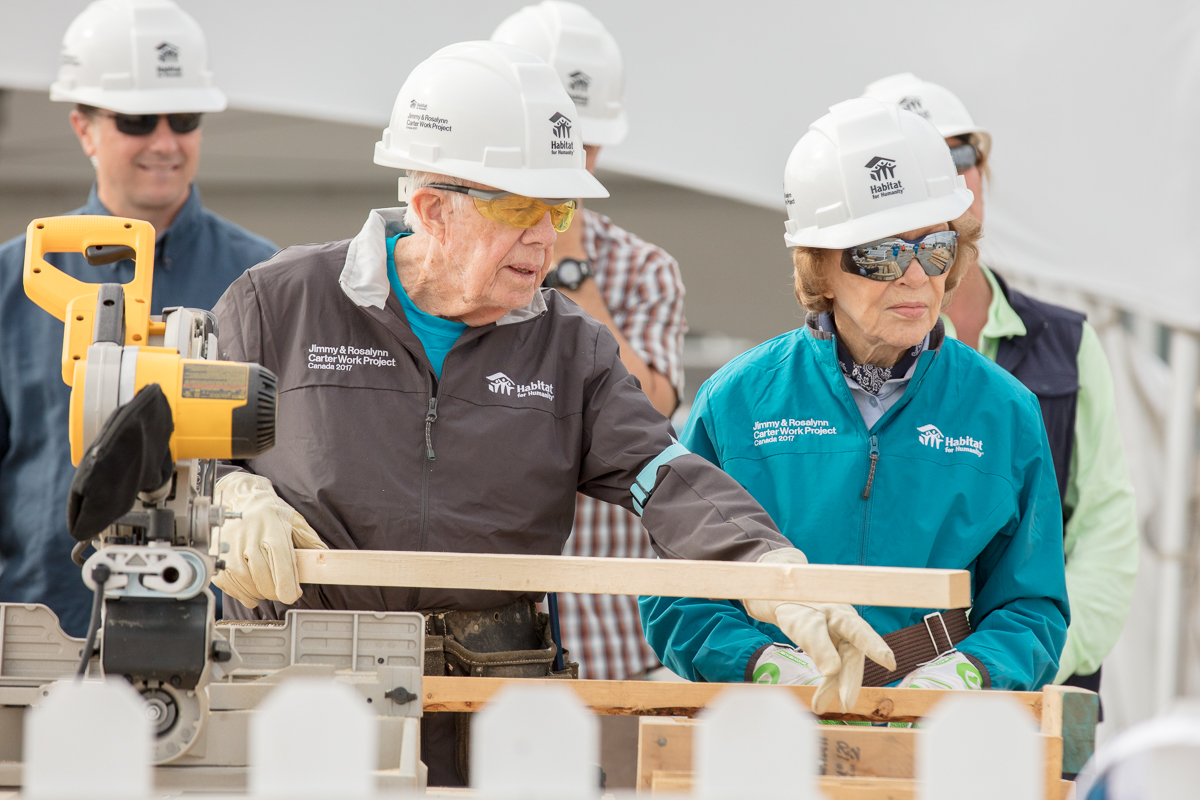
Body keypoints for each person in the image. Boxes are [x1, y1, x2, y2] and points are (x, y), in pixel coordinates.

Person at [209, 42, 892, 786]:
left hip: (493, 705)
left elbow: (663, 476)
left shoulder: (572, 350)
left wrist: (775, 572)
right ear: (433, 207)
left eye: (559, 208)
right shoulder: (277, 304)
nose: (548, 236)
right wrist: (226, 496)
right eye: (519, 208)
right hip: (299, 700)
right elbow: (169, 462)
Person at [640, 97, 1070, 694]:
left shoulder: (1005, 412)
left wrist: (968, 674)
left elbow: (1032, 607)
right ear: (819, 266)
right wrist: (762, 663)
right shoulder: (737, 402)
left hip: (941, 733)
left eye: (935, 247)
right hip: (770, 729)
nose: (915, 275)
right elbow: (679, 597)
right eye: (881, 253)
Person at [0, 0, 276, 636]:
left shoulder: (267, 281)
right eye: (134, 119)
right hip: (43, 630)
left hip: (216, 633)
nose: (164, 141)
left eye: (183, 118)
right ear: (83, 128)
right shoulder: (15, 283)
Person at [864, 73, 1137, 695]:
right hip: (886, 688)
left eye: (962, 155)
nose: (951, 175)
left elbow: (1104, 525)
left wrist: (1019, 660)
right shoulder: (835, 359)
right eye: (922, 159)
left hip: (1036, 682)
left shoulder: (1066, 341)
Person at [492, 0, 685, 684]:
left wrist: (568, 260)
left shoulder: (642, 268)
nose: (569, 158)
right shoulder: (456, 264)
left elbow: (648, 412)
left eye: (583, 142)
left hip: (617, 642)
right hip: (488, 632)